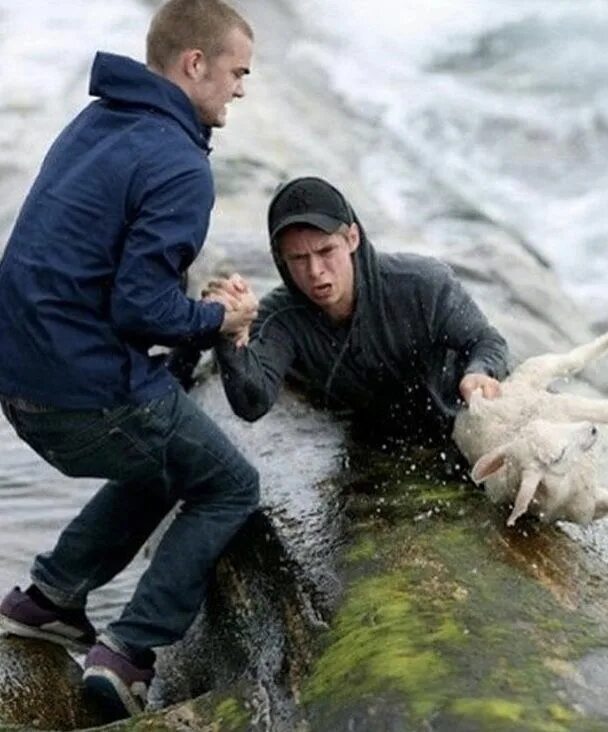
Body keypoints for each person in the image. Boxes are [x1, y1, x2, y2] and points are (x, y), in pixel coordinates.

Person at [0, 0, 259, 719]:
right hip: (83, 392)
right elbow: (139, 309)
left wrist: (192, 313)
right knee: (230, 484)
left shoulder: (96, 122)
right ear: (195, 64)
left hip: (20, 383)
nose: (242, 88)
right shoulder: (179, 162)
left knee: (169, 455)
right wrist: (220, 317)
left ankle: (46, 599)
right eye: (237, 72)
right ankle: (130, 653)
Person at [207, 176, 509, 447]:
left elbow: (487, 340)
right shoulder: (280, 318)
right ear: (280, 259)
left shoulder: (422, 284)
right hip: (375, 442)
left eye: (326, 251)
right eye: (298, 258)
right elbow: (252, 403)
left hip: (460, 425)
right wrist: (229, 333)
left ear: (352, 238)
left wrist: (480, 372)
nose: (315, 271)